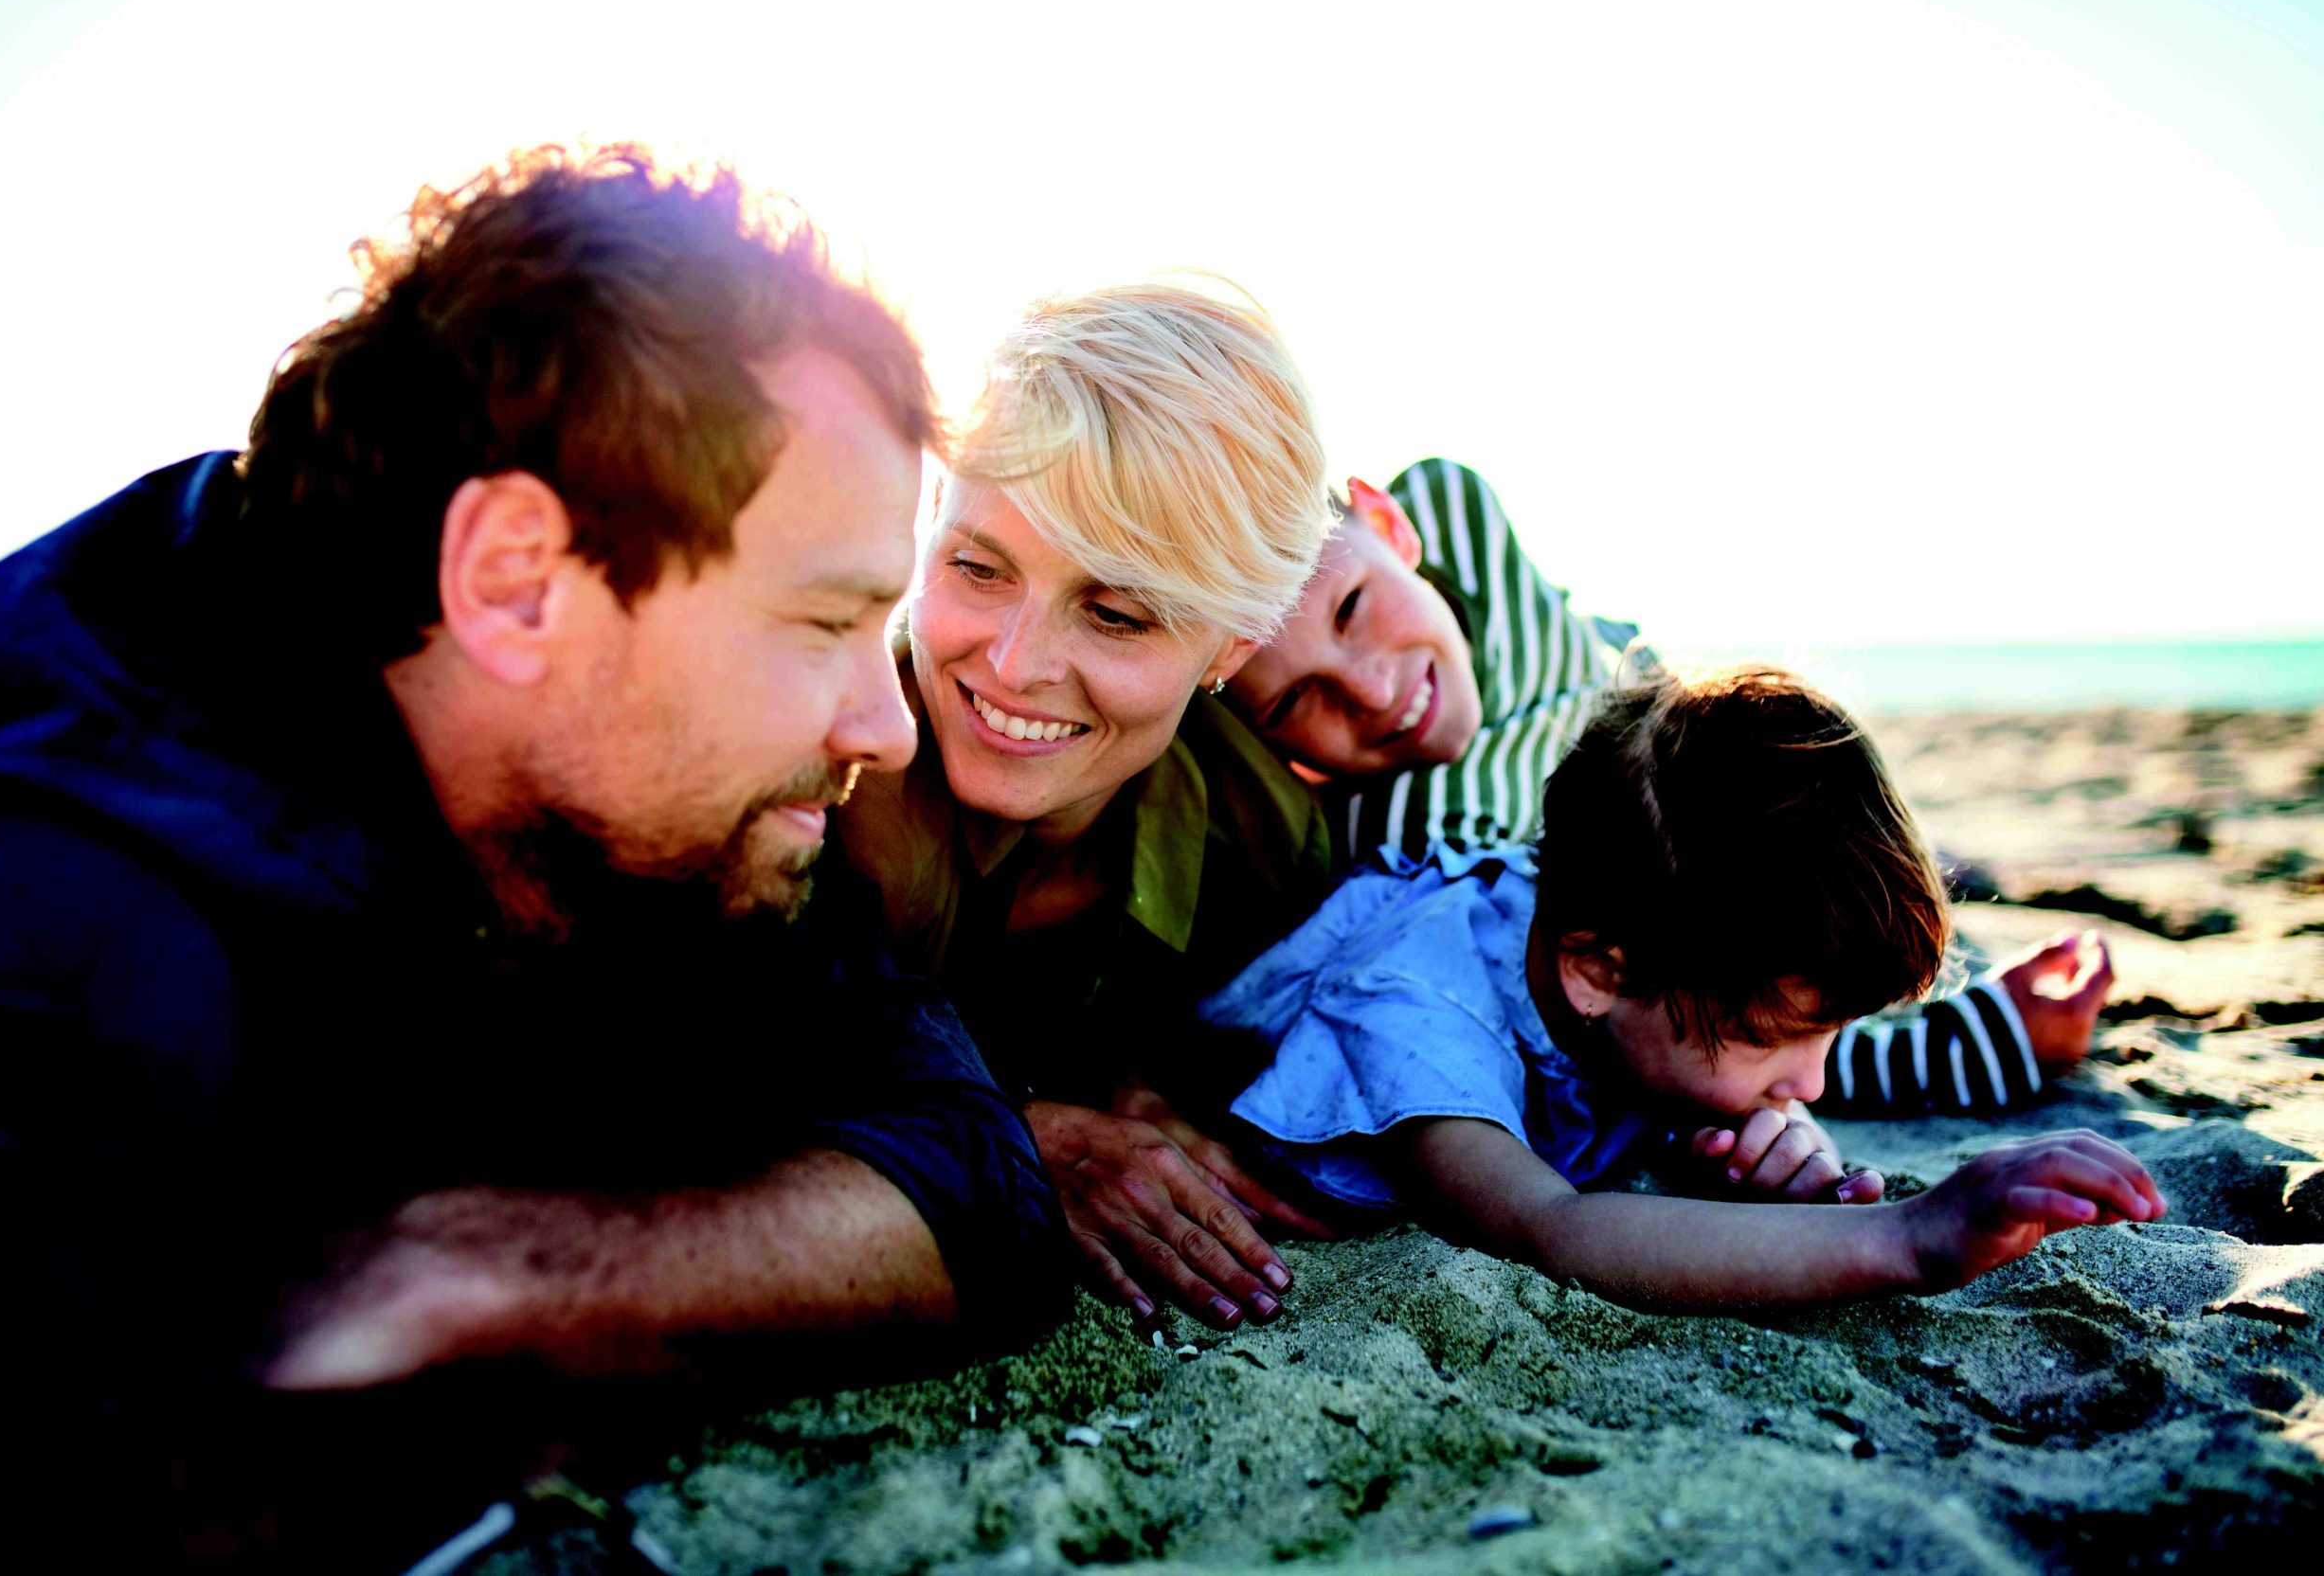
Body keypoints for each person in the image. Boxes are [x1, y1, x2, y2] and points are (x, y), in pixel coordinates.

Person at [0, 144, 1057, 1566]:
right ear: (514, 581)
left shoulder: (666, 795)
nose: (884, 723)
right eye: (825, 623)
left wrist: (483, 1269)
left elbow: (976, 1183)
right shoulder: (66, 906)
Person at [1200, 670, 2165, 1310]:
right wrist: (1911, 1237)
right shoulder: (1413, 1018)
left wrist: (1756, 1158)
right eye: (1769, 1035)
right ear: (1593, 972)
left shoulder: (1643, 960)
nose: (1810, 1081)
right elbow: (1552, 1231)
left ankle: (1946, 1038)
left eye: (1827, 1033)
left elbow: (1716, 1056)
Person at [1226, 459, 2117, 1127]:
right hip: (1679, 866)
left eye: (1351, 608)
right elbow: (1719, 1017)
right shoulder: (1425, 844)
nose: (1374, 691)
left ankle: (1936, 855)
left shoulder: (1456, 513)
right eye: (1295, 699)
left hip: (1694, 759)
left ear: (1390, 524)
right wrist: (1975, 1041)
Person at [838, 280, 1345, 1334]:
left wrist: (1135, 1081)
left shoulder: (1258, 845)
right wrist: (1019, 1128)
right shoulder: (826, 786)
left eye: (1114, 614)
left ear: (1232, 650)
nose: (1017, 664)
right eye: (977, 569)